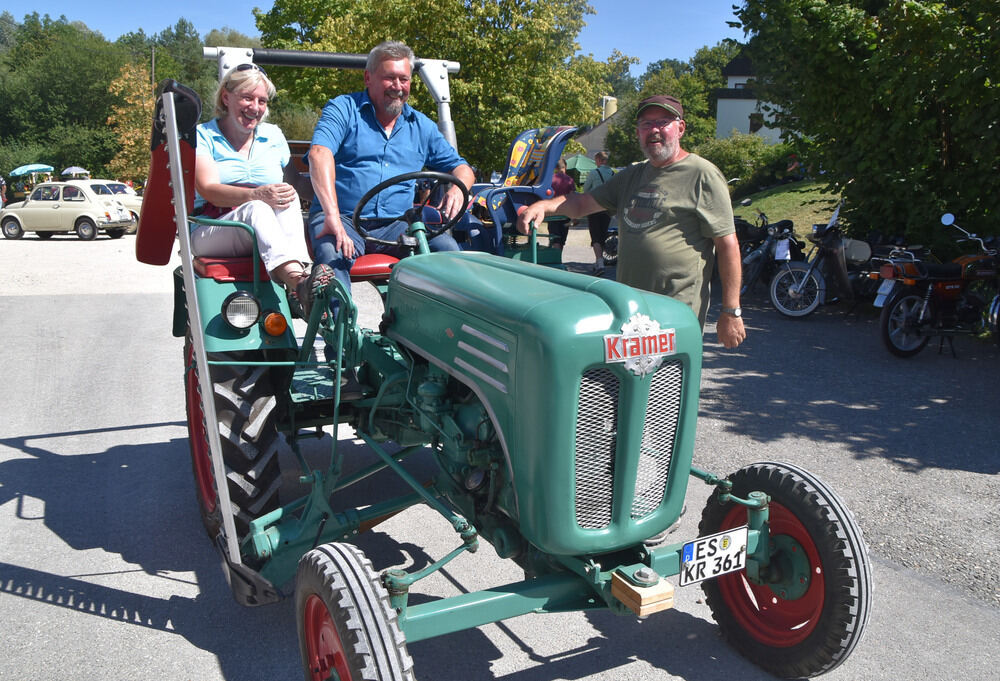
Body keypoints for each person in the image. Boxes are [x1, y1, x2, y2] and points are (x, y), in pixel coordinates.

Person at [517, 95, 746, 349]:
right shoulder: (632, 176)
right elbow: (582, 204)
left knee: (668, 386)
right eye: (646, 124)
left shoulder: (702, 174)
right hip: (631, 310)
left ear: (680, 128)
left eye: (663, 122)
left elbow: (727, 244)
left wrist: (731, 312)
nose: (654, 130)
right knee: (630, 385)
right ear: (638, 132)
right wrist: (543, 206)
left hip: (676, 313)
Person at [307, 40, 476, 300]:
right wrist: (331, 214)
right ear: (368, 78)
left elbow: (462, 168)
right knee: (332, 256)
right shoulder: (344, 109)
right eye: (389, 78)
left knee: (447, 251)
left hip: (396, 225)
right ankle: (338, 335)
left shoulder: (422, 126)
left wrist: (457, 187)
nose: (398, 87)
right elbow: (319, 154)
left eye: (404, 79)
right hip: (343, 219)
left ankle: (432, 333)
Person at [192, 62, 332, 316]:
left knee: (287, 197)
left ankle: (302, 280)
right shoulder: (203, 135)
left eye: (262, 101)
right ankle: (299, 285)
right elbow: (209, 189)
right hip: (215, 227)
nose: (255, 108)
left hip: (259, 227)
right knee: (258, 207)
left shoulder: (273, 135)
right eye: (247, 98)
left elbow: (297, 184)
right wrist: (254, 194)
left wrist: (340, 201)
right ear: (226, 97)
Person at [582, 151, 613, 274]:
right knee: (602, 234)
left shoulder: (594, 173)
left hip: (594, 207)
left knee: (595, 236)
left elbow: (585, 189)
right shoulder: (612, 173)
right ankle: (598, 261)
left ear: (599, 160)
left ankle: (600, 264)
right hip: (607, 208)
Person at [546, 158, 575, 249]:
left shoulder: (550, 179)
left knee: (555, 238)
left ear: (555, 168)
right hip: (565, 214)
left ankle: (555, 259)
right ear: (565, 166)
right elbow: (572, 198)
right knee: (562, 240)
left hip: (552, 213)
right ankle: (558, 258)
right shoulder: (570, 180)